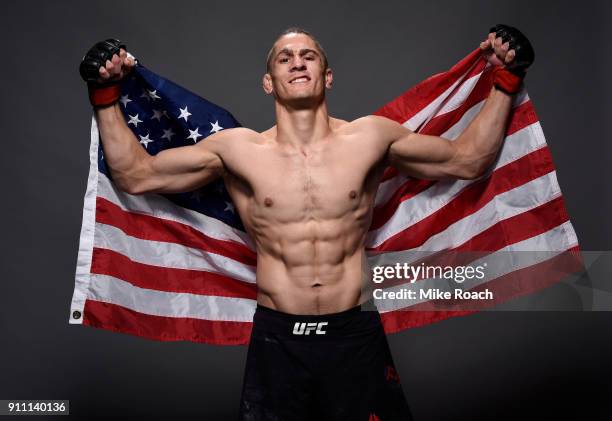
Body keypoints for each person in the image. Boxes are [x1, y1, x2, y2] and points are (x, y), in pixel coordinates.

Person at [79, 25, 534, 420]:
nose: (297, 63)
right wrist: (105, 95)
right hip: (279, 340)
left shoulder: (370, 136)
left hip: (354, 333)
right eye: (285, 57)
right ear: (268, 81)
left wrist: (505, 81)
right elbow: (135, 173)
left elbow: (468, 160)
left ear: (327, 76)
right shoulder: (236, 150)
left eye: (308, 56)